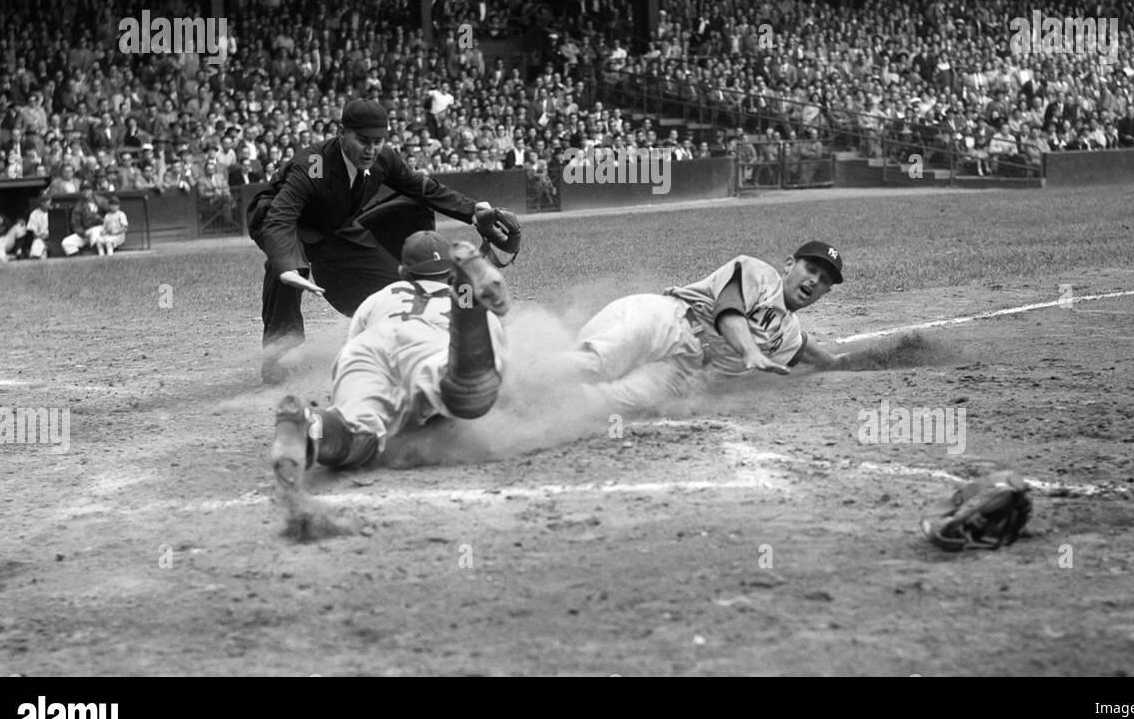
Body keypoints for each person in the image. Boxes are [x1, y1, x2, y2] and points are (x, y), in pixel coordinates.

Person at [247, 98, 521, 386]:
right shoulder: (314, 165)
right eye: (363, 140)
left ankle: (410, 339)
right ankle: (278, 355)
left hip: (336, 226)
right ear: (342, 133)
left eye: (378, 141)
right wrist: (285, 263)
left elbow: (422, 187)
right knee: (287, 270)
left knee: (396, 284)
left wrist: (472, 212)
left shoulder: (384, 158)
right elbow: (282, 214)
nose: (371, 149)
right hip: (284, 219)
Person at [270, 231, 510, 491]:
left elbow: (351, 352)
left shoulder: (379, 298)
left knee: (354, 432)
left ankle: (309, 423)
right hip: (430, 347)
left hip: (368, 350)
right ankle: (469, 310)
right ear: (450, 273)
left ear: (403, 273)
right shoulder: (456, 296)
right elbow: (497, 368)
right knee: (468, 388)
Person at [559, 241, 850, 414]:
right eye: (811, 270)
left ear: (826, 292)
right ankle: (517, 377)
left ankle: (523, 417)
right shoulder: (761, 274)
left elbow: (803, 347)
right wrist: (749, 351)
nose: (814, 281)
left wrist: (838, 363)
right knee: (594, 364)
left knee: (604, 403)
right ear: (789, 264)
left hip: (682, 372)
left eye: (824, 280)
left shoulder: (787, 330)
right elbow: (729, 310)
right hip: (664, 322)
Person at [61, 186, 105, 256]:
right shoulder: (79, 205)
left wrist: (101, 219)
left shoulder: (101, 201)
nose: (86, 192)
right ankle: (78, 260)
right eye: (83, 190)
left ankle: (98, 254)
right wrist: (83, 233)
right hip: (87, 232)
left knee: (95, 231)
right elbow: (75, 224)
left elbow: (112, 215)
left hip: (103, 230)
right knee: (66, 242)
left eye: (88, 189)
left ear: (92, 190)